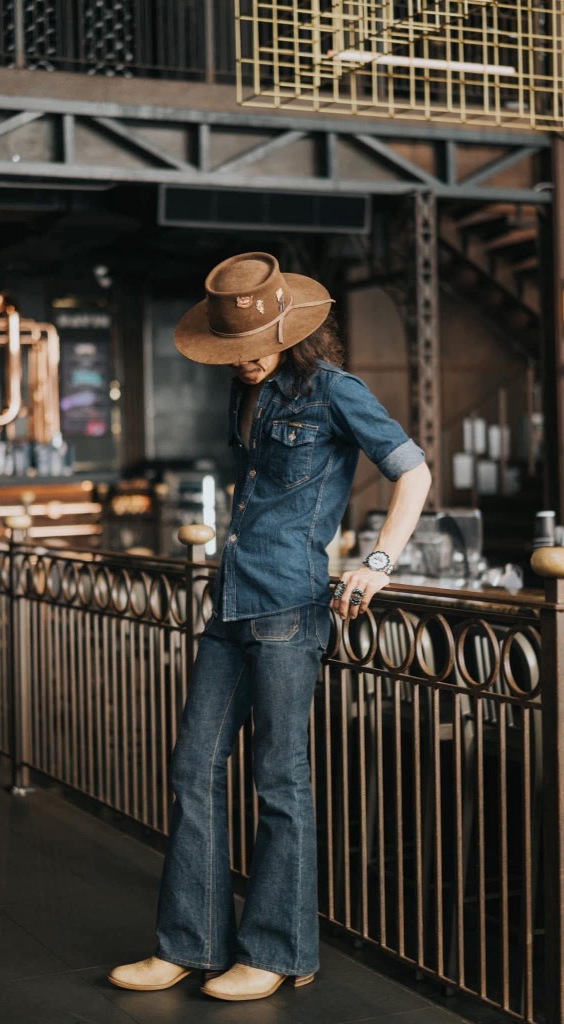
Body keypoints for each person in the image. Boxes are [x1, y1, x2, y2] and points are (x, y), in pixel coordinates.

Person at [109, 252, 431, 1001]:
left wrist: (377, 562)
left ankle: (280, 952)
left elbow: (413, 471)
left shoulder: (336, 391)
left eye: (257, 346)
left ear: (291, 331)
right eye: (235, 349)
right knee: (193, 770)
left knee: (279, 779)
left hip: (290, 606)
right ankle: (190, 944)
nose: (248, 359)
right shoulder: (245, 392)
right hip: (230, 602)